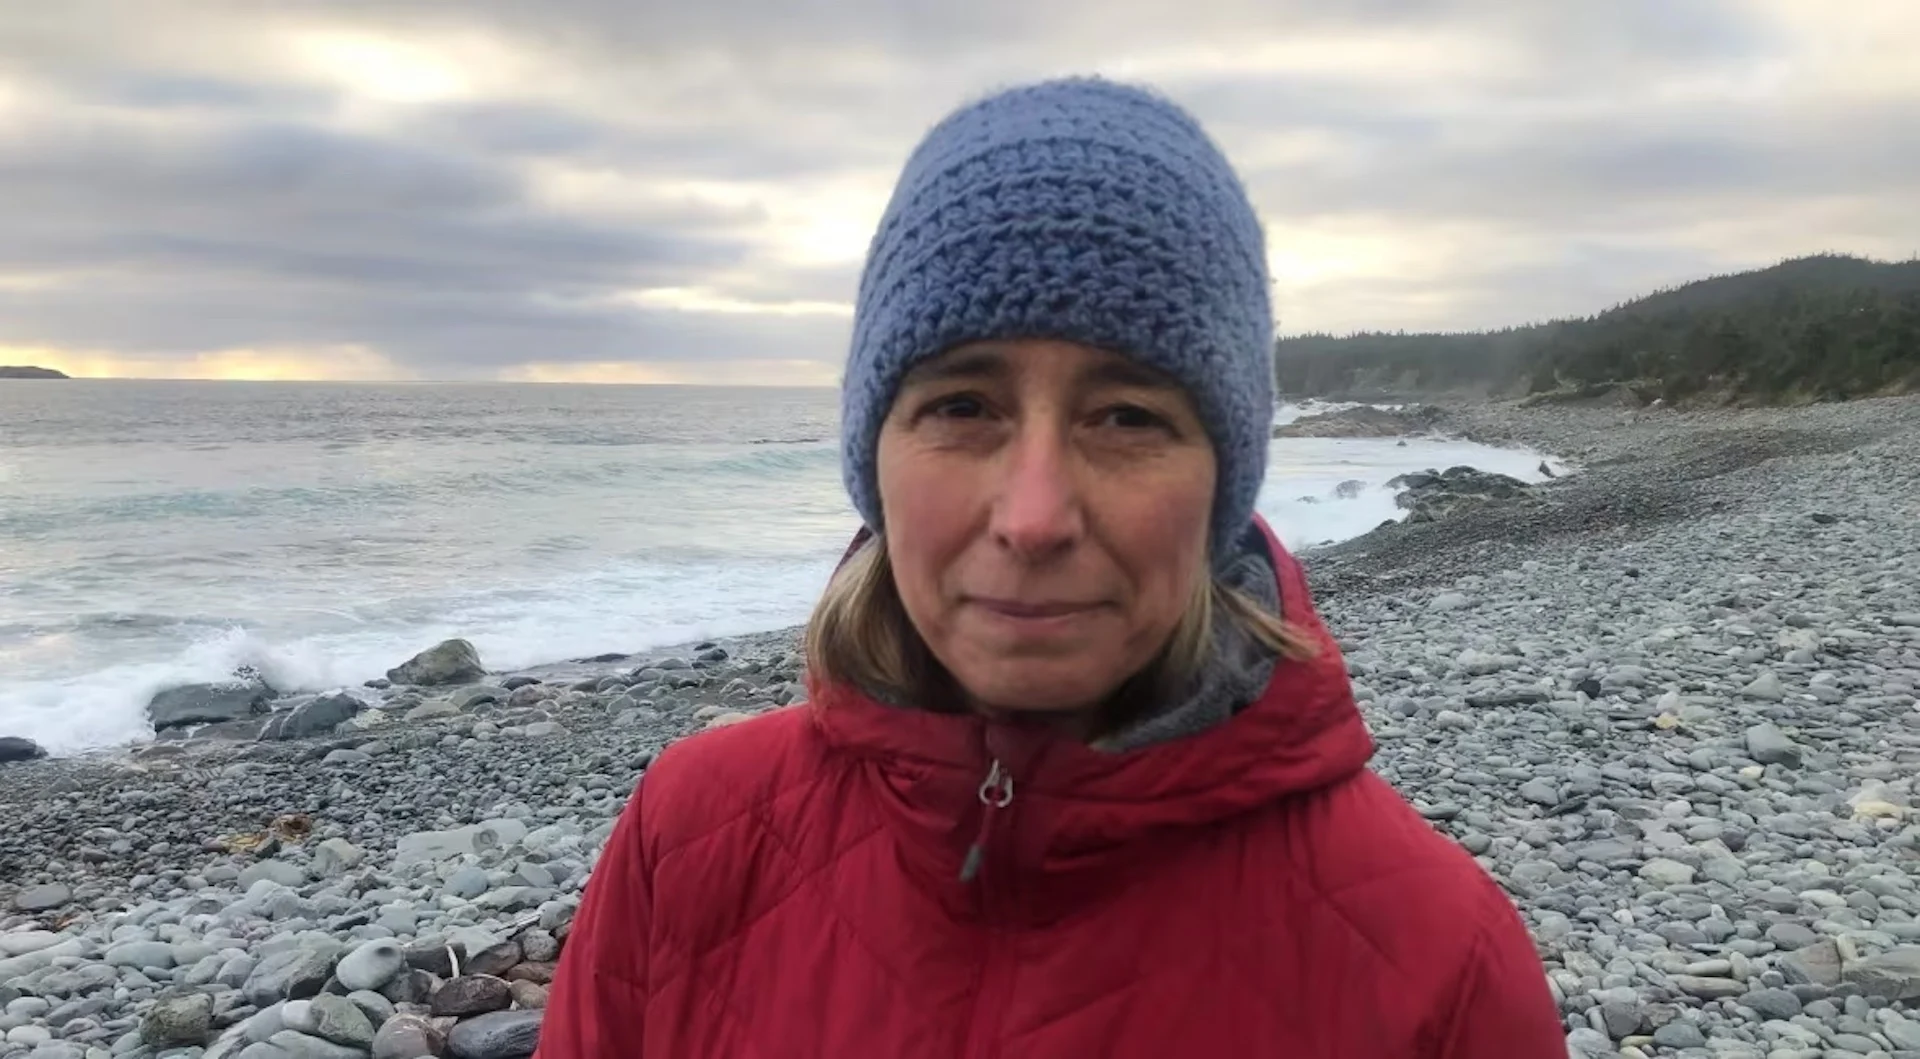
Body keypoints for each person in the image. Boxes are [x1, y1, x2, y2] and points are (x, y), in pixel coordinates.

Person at [538, 76, 1565, 1057]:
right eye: (962, 407)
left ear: (1225, 478)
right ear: (872, 458)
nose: (1034, 518)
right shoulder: (692, 834)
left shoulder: (1441, 962)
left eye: (1127, 416)